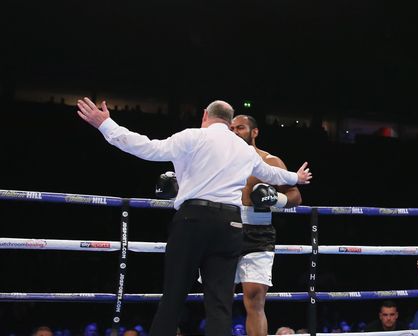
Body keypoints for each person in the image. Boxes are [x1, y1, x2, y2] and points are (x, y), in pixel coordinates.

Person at [76, 98, 312, 336]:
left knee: (174, 295)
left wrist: (106, 125)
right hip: (230, 224)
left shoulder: (193, 136)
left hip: (194, 220)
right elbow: (270, 173)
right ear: (229, 122)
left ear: (204, 116)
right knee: (220, 302)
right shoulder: (244, 150)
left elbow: (146, 147)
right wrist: (297, 177)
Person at [230, 114, 303, 336]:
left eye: (240, 127)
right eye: (231, 128)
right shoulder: (217, 160)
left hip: (258, 231)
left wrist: (274, 199)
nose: (234, 132)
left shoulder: (270, 162)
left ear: (254, 132)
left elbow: (295, 197)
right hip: (224, 227)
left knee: (254, 298)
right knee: (219, 297)